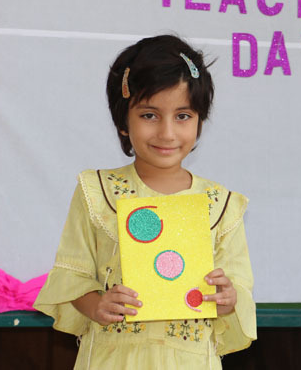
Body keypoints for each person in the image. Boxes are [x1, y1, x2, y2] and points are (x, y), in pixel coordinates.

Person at [34, 35, 256, 369]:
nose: (167, 133)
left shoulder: (221, 205)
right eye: (149, 115)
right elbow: (72, 274)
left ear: (200, 120)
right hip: (112, 360)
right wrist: (97, 305)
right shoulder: (97, 191)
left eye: (183, 116)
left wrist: (227, 298)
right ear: (124, 121)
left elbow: (239, 287)